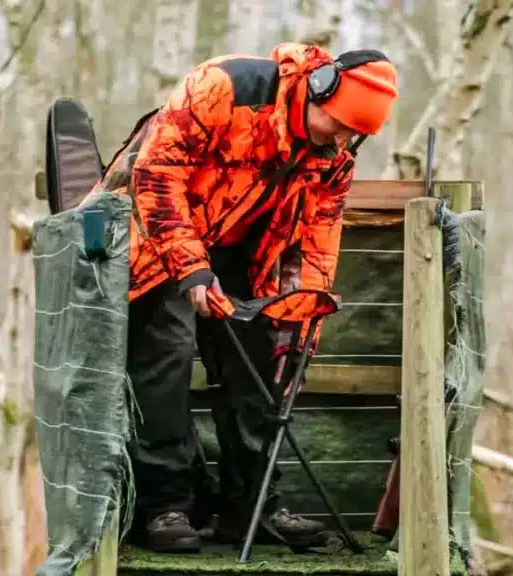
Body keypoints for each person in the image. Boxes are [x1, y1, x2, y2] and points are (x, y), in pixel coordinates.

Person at [97, 42, 398, 553]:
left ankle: (252, 508)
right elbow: (156, 173)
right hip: (148, 234)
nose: (345, 140)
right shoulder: (223, 88)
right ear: (317, 90)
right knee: (165, 354)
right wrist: (191, 268)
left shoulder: (336, 155)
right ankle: (164, 506)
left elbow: (322, 232)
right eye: (341, 125)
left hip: (241, 250)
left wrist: (308, 310)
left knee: (257, 367)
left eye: (358, 134)